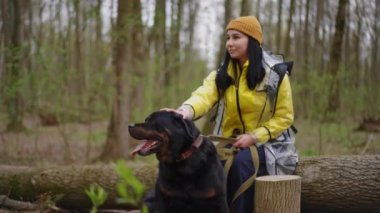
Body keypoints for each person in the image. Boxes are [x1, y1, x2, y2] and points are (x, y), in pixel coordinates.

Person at [165, 16, 298, 213]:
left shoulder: (275, 74)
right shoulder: (224, 72)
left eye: (236, 37)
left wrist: (254, 136)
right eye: (228, 38)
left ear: (252, 41)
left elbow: (284, 117)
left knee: (240, 165)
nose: (229, 43)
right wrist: (184, 111)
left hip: (269, 144)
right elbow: (204, 95)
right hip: (231, 141)